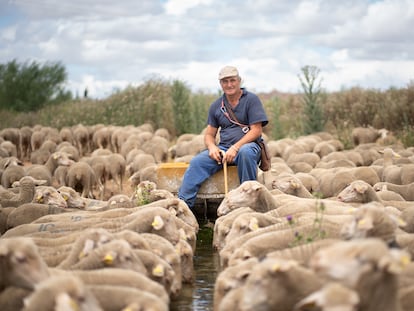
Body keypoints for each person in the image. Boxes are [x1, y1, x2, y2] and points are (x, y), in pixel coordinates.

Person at [178, 65, 268, 210]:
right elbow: (209, 134)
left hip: (248, 147)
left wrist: (236, 147)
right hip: (224, 149)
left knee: (245, 152)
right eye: (225, 82)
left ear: (239, 81)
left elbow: (256, 131)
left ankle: (250, 205)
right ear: (221, 84)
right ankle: (183, 207)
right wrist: (213, 147)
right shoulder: (216, 106)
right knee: (197, 162)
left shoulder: (251, 100)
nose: (229, 85)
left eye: (232, 80)